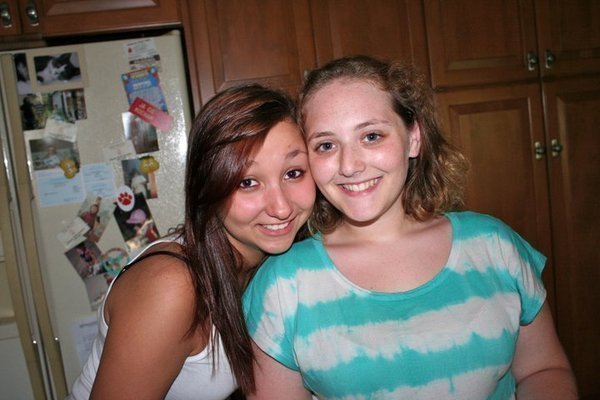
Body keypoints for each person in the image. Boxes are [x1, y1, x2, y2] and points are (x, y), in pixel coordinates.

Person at [243, 56, 578, 399]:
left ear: (413, 137)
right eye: (326, 145)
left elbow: (543, 370)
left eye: (371, 136)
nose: (349, 165)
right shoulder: (283, 286)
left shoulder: (495, 246)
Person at [68, 83, 315, 399]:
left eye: (293, 173)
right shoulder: (173, 286)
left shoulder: (270, 261)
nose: (281, 208)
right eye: (248, 182)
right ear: (208, 187)